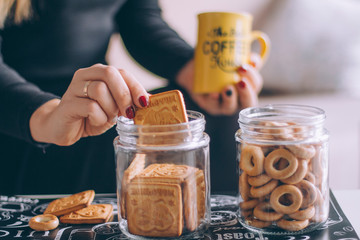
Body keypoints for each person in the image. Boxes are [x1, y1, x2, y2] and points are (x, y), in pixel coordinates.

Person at [0, 0, 263, 195]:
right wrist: (46, 115)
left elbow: (138, 16)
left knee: (217, 118)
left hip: (96, 107)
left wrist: (196, 72)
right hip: (20, 125)